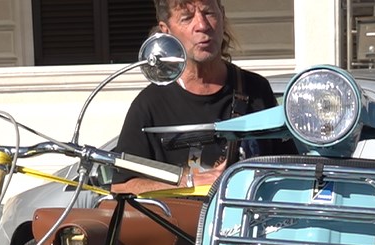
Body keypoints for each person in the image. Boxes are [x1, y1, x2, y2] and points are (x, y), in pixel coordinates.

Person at [111, 0, 287, 194]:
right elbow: (122, 187)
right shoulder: (150, 104)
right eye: (187, 18)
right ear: (166, 30)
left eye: (209, 13)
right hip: (181, 215)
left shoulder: (257, 89)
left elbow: (290, 171)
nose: (202, 25)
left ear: (222, 15)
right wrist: (190, 181)